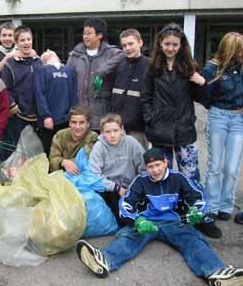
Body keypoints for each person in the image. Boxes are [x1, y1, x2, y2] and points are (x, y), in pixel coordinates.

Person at [76, 148, 243, 286]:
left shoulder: (179, 178)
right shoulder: (140, 181)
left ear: (166, 162)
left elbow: (198, 197)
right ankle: (104, 261)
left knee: (193, 241)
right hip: (147, 222)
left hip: (174, 222)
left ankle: (216, 272)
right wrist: (137, 220)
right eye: (150, 167)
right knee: (128, 237)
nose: (155, 170)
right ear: (146, 168)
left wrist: (196, 211)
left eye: (158, 165)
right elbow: (125, 205)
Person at [141, 23, 205, 184]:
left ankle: (192, 207)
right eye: (167, 44)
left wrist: (201, 83)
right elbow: (146, 97)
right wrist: (151, 118)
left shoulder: (190, 66)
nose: (170, 48)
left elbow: (200, 98)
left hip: (184, 129)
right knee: (161, 175)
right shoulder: (152, 67)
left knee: (190, 175)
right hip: (159, 130)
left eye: (175, 44)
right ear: (160, 44)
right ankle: (164, 206)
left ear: (181, 45)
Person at [200, 32, 243, 224]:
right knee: (215, 165)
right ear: (230, 50)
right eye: (240, 49)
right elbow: (204, 95)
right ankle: (212, 205)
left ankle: (226, 205)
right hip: (218, 115)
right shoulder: (212, 68)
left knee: (231, 167)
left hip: (239, 118)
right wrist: (215, 108)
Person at [66, 17, 124, 131]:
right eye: (84, 33)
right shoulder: (75, 55)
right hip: (80, 117)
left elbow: (124, 54)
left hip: (102, 115)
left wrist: (104, 69)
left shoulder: (112, 53)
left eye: (89, 33)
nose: (85, 37)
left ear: (100, 35)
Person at [89, 113, 145, 224]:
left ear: (122, 129)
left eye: (115, 130)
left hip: (131, 186)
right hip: (110, 189)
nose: (112, 135)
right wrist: (117, 188)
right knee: (120, 219)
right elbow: (94, 175)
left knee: (142, 211)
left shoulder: (131, 142)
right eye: (108, 132)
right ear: (102, 133)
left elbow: (144, 167)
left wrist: (138, 186)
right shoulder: (99, 147)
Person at [0, 25, 42, 160]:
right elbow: (4, 89)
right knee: (14, 152)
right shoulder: (10, 64)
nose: (26, 43)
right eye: (22, 40)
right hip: (18, 116)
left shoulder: (39, 62)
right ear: (16, 43)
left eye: (29, 39)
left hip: (37, 116)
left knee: (34, 151)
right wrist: (12, 105)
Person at [108, 28, 149, 149]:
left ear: (140, 43)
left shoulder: (150, 66)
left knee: (139, 162)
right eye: (124, 45)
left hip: (138, 129)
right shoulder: (119, 65)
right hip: (117, 127)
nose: (127, 48)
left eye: (131, 44)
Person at [35, 50, 78, 156]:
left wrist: (45, 115)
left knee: (49, 150)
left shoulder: (41, 70)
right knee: (65, 151)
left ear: (44, 61)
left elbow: (39, 94)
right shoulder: (70, 71)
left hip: (49, 120)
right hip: (67, 119)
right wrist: (74, 115)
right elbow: (74, 95)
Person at [49, 104, 97, 173]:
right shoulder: (60, 135)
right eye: (74, 122)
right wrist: (63, 162)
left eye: (81, 122)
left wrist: (69, 162)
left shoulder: (92, 137)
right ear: (69, 123)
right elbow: (52, 160)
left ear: (88, 124)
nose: (77, 127)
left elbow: (85, 160)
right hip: (61, 176)